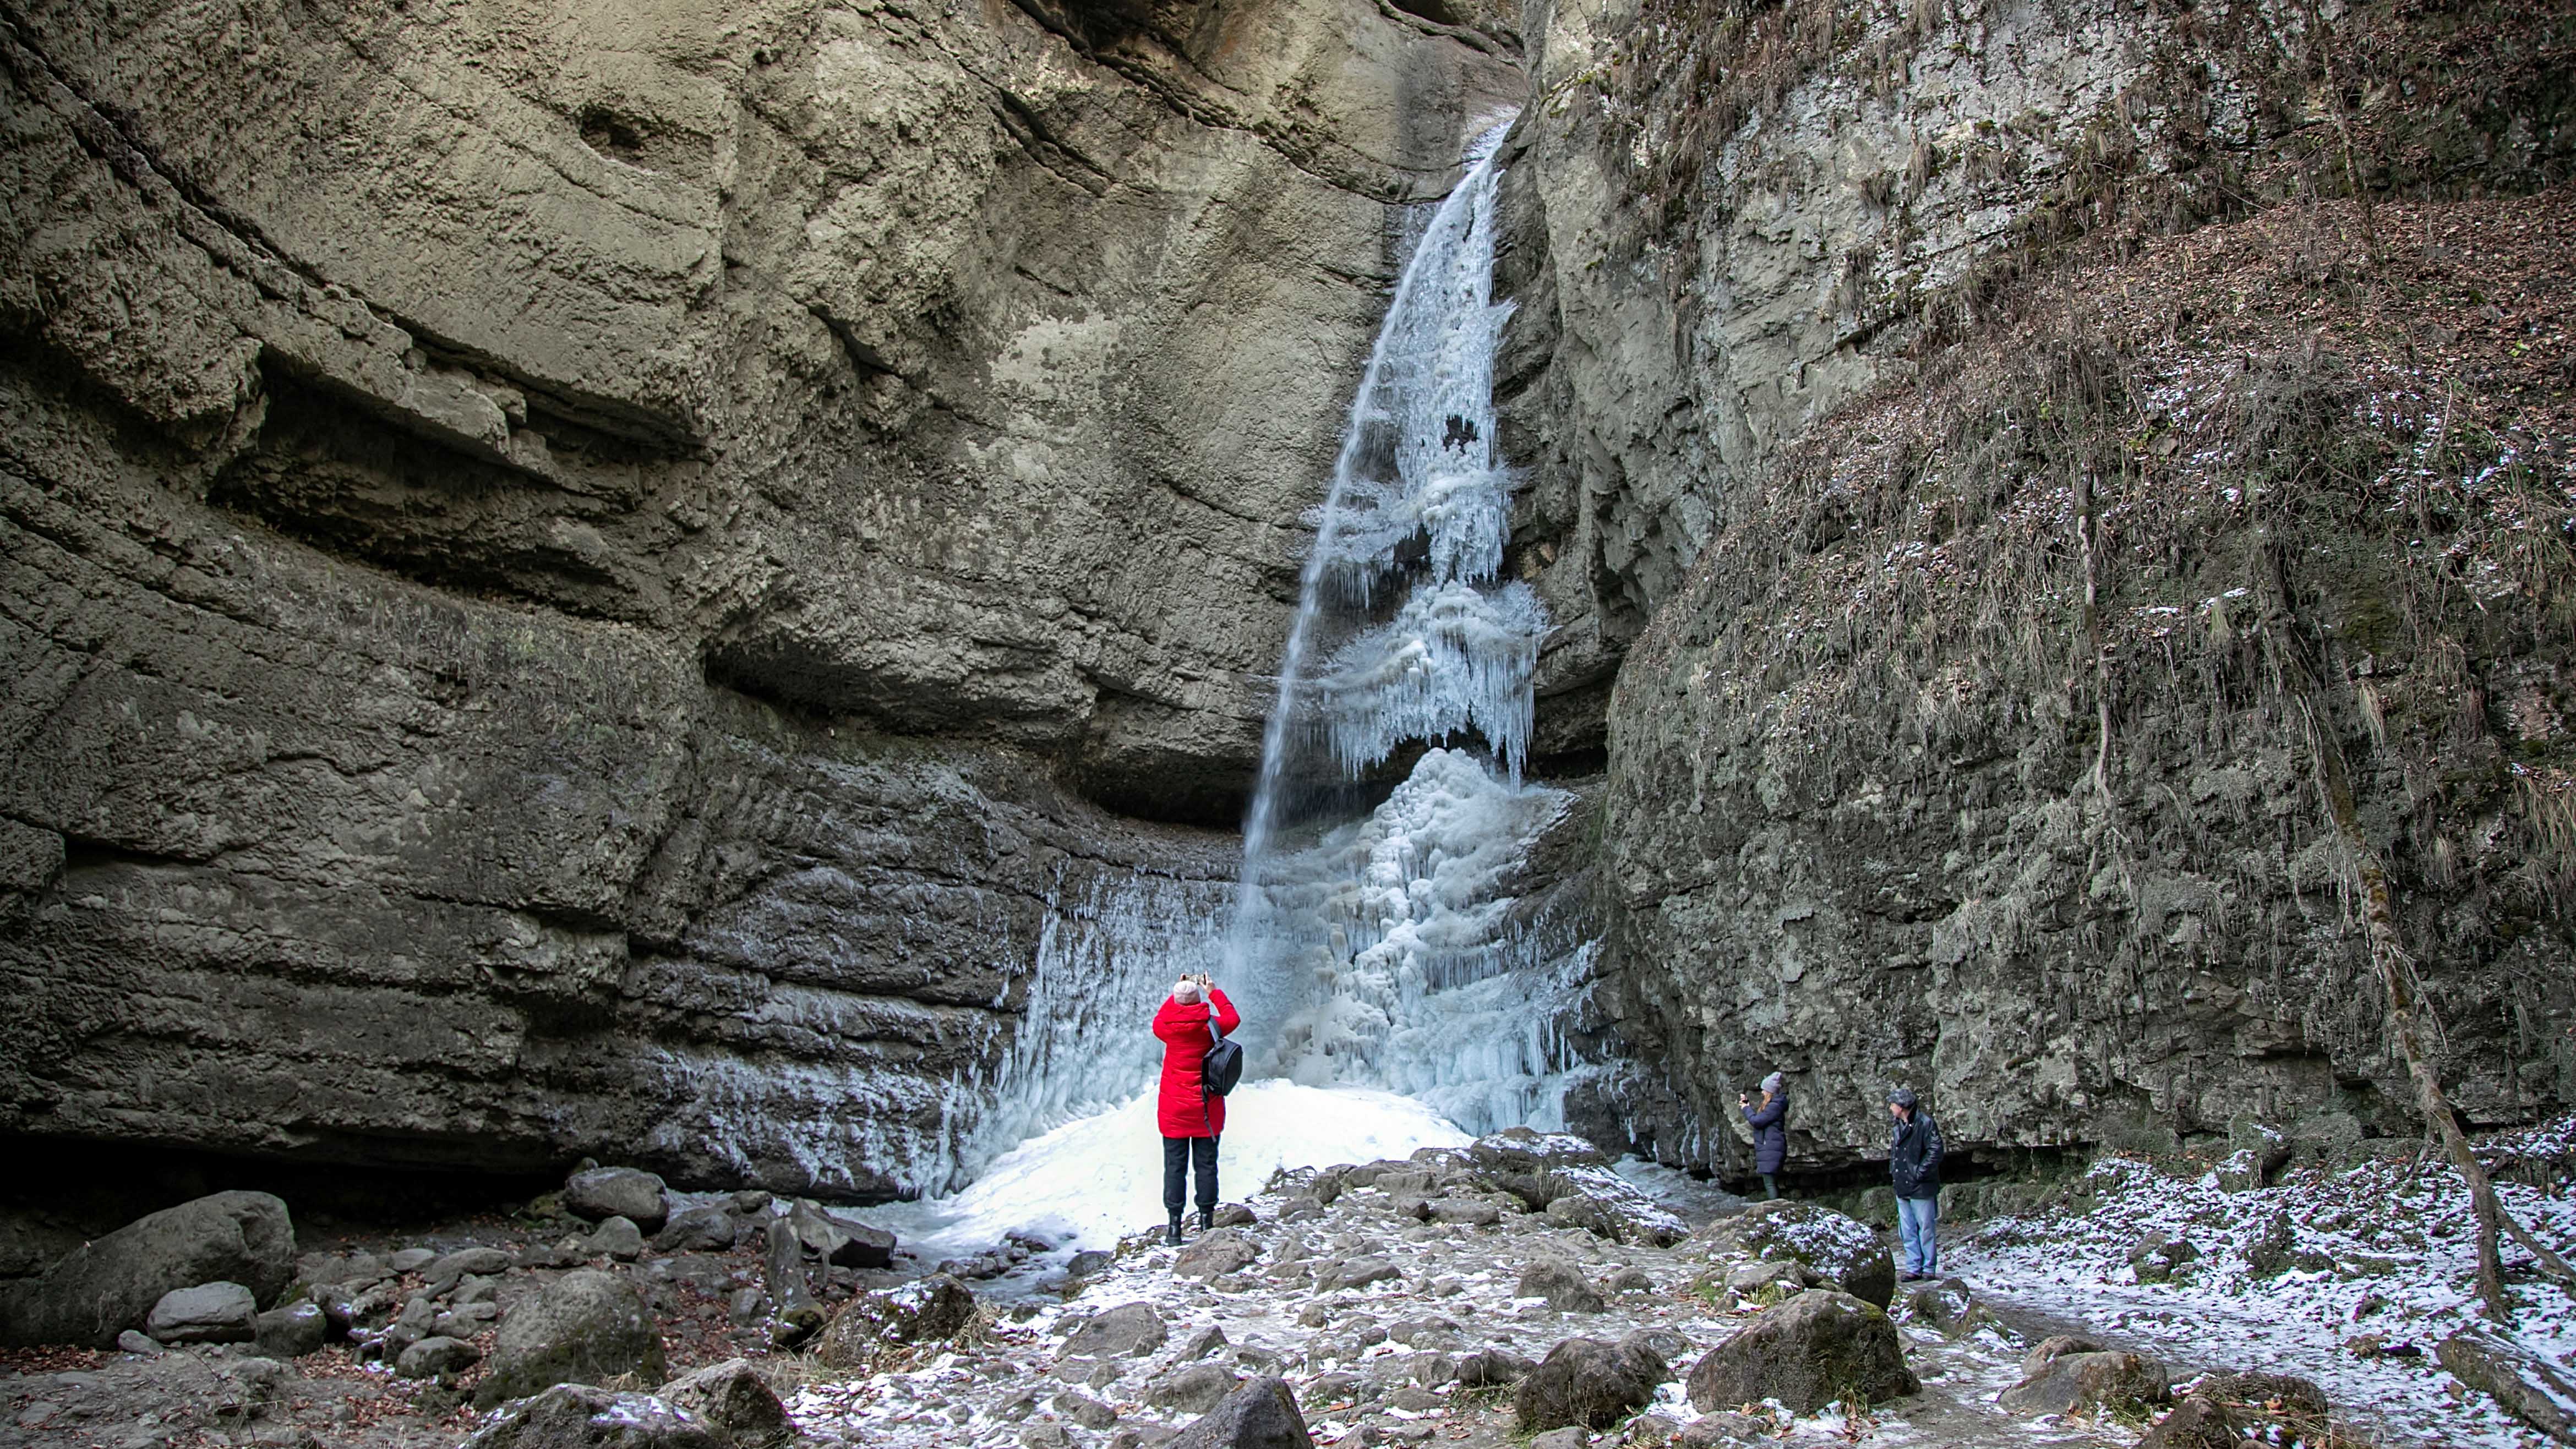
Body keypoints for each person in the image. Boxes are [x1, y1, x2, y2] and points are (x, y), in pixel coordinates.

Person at [1151, 973, 1240, 1246]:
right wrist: (1212, 991)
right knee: (1206, 1166)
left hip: (1174, 1113)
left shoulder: (1165, 1028)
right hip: (1206, 1111)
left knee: (1174, 1168)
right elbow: (1233, 1017)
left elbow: (1163, 1015)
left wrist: (1178, 992)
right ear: (1199, 1001)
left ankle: (1174, 1229)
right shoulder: (1211, 1027)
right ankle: (1206, 1223)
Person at [1887, 1087, 1944, 1281]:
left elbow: (1936, 1150)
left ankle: (1928, 1268)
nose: (1890, 1108)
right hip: (1902, 1185)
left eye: (1893, 1104)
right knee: (1907, 1229)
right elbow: (1896, 1154)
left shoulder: (1925, 1123)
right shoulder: (1897, 1126)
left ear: (1902, 1106)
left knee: (1926, 1227)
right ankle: (1914, 1267)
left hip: (1921, 1185)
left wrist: (1919, 1173)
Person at [1738, 1072, 1788, 1199]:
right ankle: (1779, 1209)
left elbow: (1757, 1122)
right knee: (1772, 1182)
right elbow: (1761, 1119)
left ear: (1770, 1091)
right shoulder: (1775, 1106)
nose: (1762, 1093)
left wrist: (1746, 1109)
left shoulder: (1774, 1107)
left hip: (1771, 1149)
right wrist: (1748, 1106)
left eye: (1764, 1090)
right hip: (1772, 1148)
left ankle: (1777, 1210)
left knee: (1770, 1183)